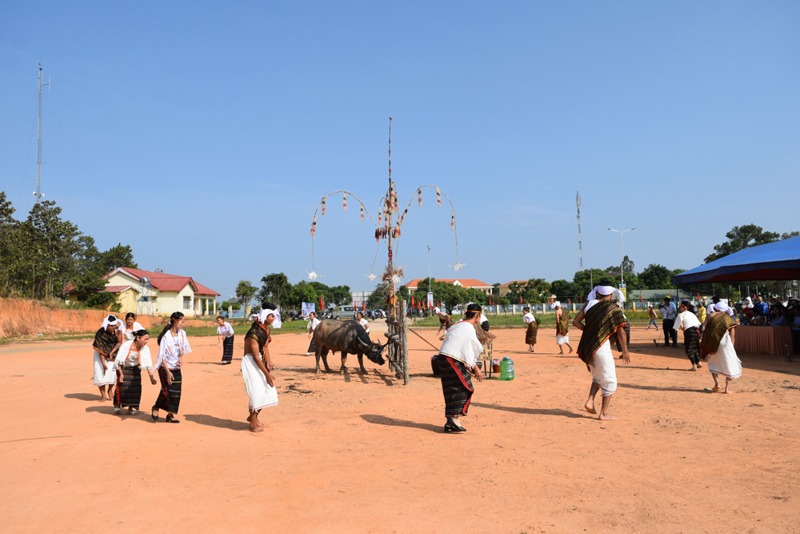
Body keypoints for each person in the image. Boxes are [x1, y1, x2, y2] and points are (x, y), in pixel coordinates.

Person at [573, 285, 631, 420]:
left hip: (588, 346)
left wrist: (590, 332)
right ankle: (603, 414)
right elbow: (621, 331)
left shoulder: (589, 304)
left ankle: (590, 401)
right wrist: (625, 351)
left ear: (598, 294)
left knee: (598, 376)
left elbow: (576, 322)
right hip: (601, 348)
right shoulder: (613, 309)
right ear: (611, 296)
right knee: (610, 380)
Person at [432, 304, 484, 433]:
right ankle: (453, 419)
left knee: (452, 388)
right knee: (465, 388)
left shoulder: (458, 325)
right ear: (478, 316)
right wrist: (475, 368)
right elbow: (472, 348)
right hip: (451, 358)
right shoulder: (468, 328)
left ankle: (451, 421)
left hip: (444, 358)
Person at [242, 307, 279, 432]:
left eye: (274, 316)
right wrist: (267, 375)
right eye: (271, 316)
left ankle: (253, 417)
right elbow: (256, 357)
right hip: (251, 362)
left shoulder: (266, 329)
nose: (273, 318)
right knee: (257, 391)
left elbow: (265, 347)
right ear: (265, 317)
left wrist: (269, 362)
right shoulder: (254, 333)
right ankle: (253, 421)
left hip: (259, 360)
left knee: (266, 389)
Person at [151, 311, 191, 423]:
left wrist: (180, 358)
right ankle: (155, 407)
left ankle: (170, 415)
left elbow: (183, 349)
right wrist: (168, 372)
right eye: (182, 321)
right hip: (165, 368)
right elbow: (161, 357)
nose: (183, 324)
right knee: (166, 391)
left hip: (176, 368)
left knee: (176, 392)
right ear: (174, 320)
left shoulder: (183, 334)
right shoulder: (165, 337)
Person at [700, 302, 742, 393]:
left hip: (712, 342)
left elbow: (703, 328)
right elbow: (732, 334)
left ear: (716, 308)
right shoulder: (727, 318)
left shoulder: (710, 316)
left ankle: (717, 384)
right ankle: (727, 388)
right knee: (729, 362)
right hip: (725, 341)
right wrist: (732, 346)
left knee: (712, 362)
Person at [113, 329, 157, 415]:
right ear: (138, 338)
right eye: (145, 339)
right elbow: (118, 361)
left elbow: (148, 364)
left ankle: (131, 408)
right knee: (122, 387)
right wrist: (121, 374)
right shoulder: (126, 345)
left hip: (135, 369)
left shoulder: (145, 349)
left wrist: (152, 378)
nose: (146, 341)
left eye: (148, 339)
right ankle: (117, 406)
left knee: (135, 388)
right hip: (123, 368)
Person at [92, 315, 122, 401]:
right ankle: (103, 395)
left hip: (114, 353)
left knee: (111, 374)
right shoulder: (100, 333)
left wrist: (112, 352)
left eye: (114, 325)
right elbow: (100, 348)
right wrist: (103, 363)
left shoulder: (118, 331)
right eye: (111, 326)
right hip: (100, 354)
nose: (113, 327)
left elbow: (119, 342)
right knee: (100, 373)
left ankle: (110, 391)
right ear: (107, 325)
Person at [674, 301, 703, 371]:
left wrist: (684, 330)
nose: (680, 308)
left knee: (689, 349)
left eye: (681, 306)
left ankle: (694, 365)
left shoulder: (681, 315)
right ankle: (698, 362)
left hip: (689, 332)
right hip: (696, 331)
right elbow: (698, 324)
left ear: (684, 307)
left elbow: (677, 327)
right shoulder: (692, 314)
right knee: (696, 347)